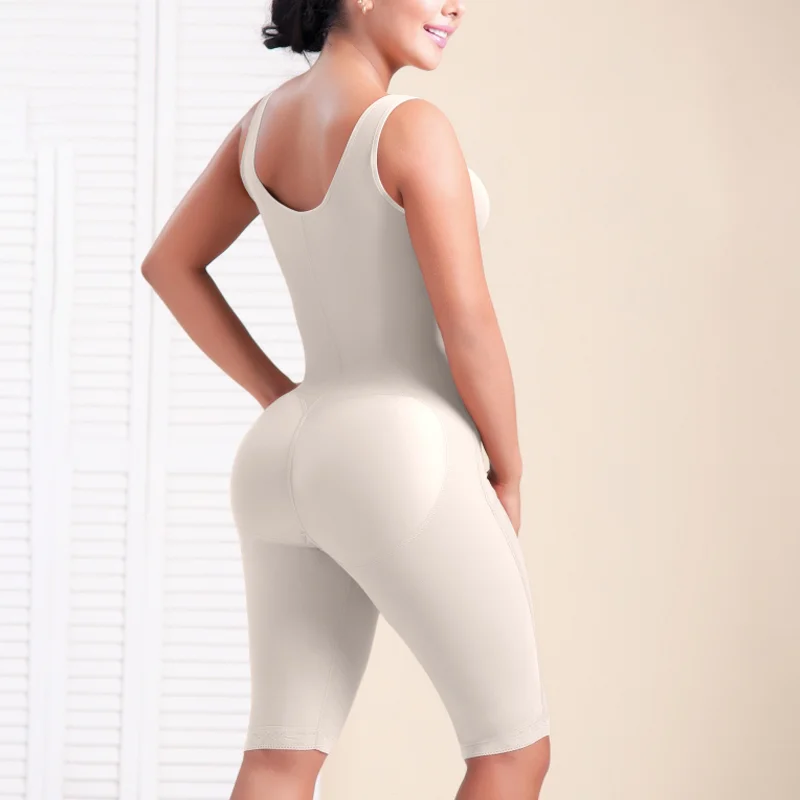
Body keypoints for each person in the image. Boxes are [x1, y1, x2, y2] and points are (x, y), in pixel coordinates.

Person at [141, 0, 551, 797]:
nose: (456, 6)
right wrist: (509, 469)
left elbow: (170, 264)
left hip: (283, 455)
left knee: (280, 756)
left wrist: (280, 397)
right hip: (402, 452)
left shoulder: (261, 127)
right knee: (511, 750)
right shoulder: (411, 126)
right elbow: (467, 321)